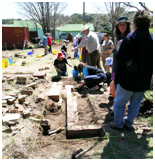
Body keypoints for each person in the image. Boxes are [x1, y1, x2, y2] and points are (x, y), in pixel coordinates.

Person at [109, 10, 153, 131]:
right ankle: (128, 123)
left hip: (128, 79)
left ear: (135, 23)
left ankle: (118, 124)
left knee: (119, 103)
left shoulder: (131, 37)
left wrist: (119, 47)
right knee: (135, 104)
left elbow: (120, 57)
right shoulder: (151, 38)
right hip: (144, 79)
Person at [113, 16, 131, 87]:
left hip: (126, 70)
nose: (122, 27)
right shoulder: (116, 39)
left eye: (124, 24)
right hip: (116, 68)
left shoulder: (130, 38)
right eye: (120, 24)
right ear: (117, 26)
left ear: (127, 26)